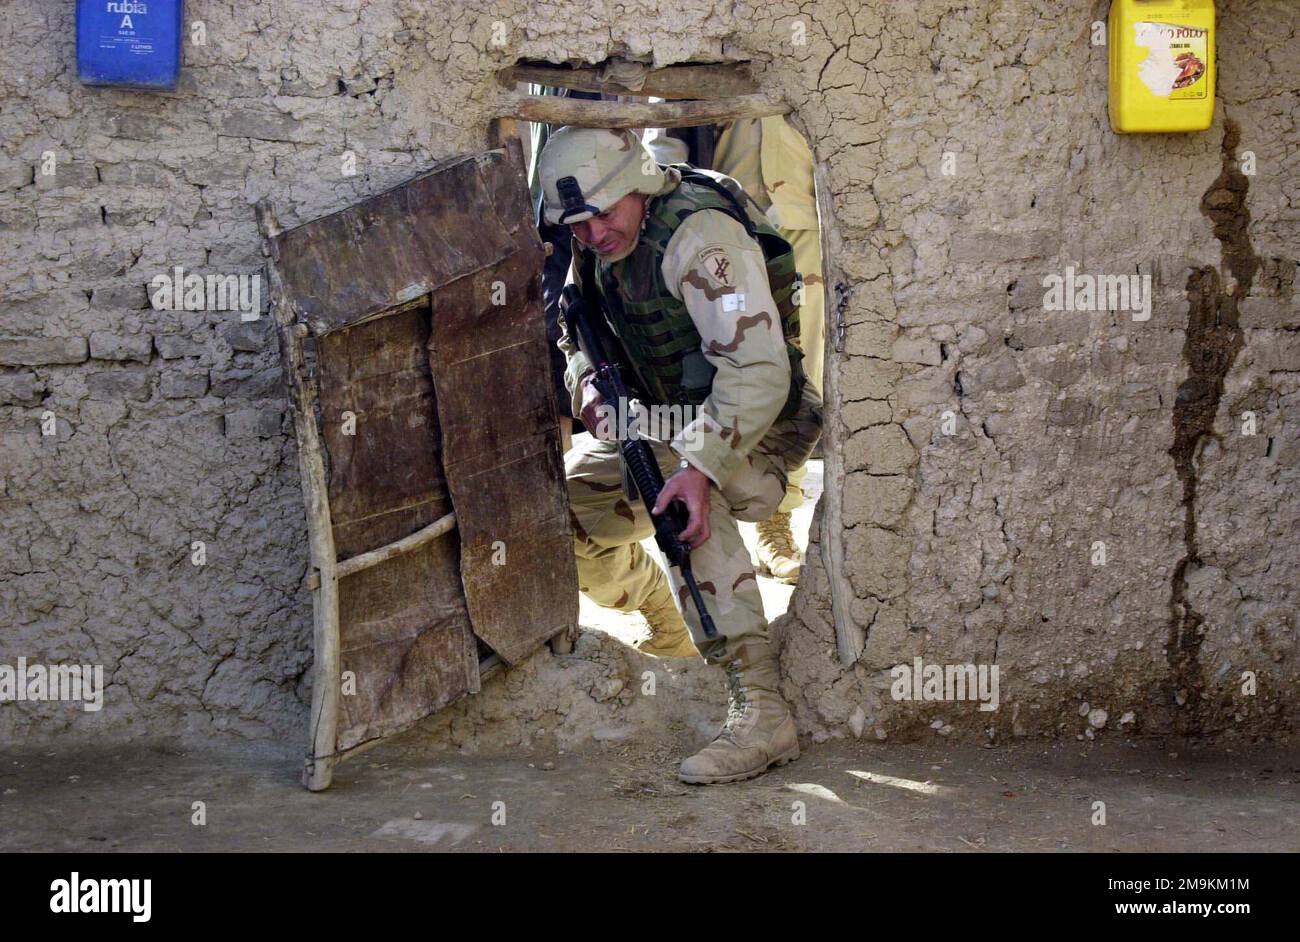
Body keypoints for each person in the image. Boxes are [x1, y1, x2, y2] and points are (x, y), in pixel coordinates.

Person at [537, 126, 822, 784]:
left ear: (636, 185)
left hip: (767, 428)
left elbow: (758, 374)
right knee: (567, 512)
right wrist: (587, 386)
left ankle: (762, 711)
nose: (595, 236)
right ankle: (667, 626)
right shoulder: (595, 244)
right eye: (578, 226)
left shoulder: (699, 241)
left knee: (676, 477)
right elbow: (574, 335)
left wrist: (698, 468)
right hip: (671, 419)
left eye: (605, 215)